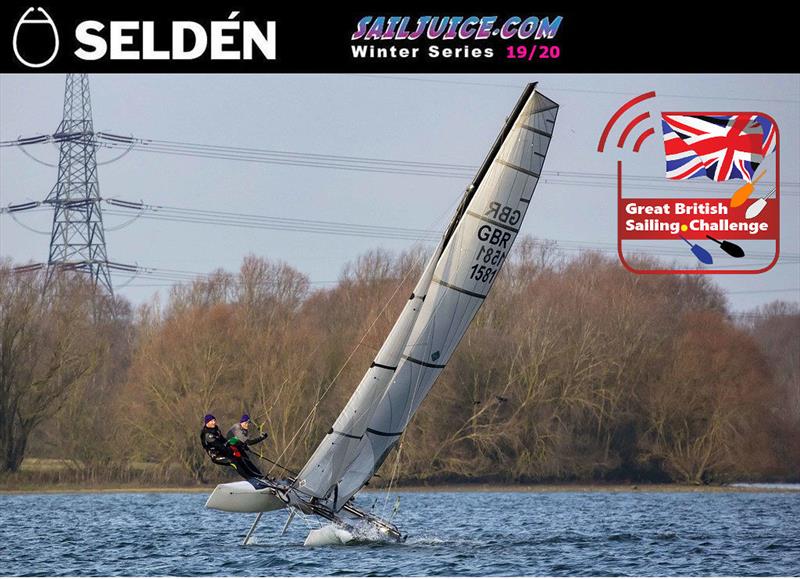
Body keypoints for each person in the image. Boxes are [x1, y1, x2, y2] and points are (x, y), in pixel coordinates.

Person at [200, 414, 264, 480]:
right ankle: (250, 479)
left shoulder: (216, 429)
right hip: (217, 456)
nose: (214, 422)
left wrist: (239, 445)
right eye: (211, 421)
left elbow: (224, 440)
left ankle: (256, 476)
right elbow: (219, 446)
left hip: (223, 451)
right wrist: (230, 450)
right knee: (233, 462)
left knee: (240, 459)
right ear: (207, 422)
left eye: (214, 420)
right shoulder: (208, 434)